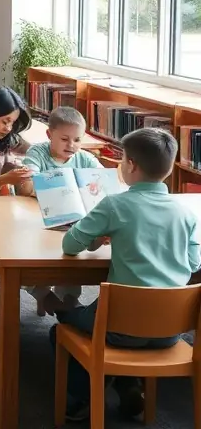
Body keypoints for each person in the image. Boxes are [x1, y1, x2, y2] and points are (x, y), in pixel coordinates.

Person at [54, 127, 200, 423]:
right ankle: (126, 384)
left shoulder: (115, 205)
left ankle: (83, 398)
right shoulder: (186, 213)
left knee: (63, 320)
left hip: (119, 327)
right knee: (112, 326)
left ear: (130, 165)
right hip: (169, 332)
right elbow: (193, 263)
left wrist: (99, 235)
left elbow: (70, 244)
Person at [23, 106, 104, 315]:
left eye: (77, 140)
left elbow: (102, 185)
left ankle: (68, 301)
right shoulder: (37, 152)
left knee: (73, 257)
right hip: (39, 221)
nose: (71, 145)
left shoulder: (85, 158)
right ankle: (44, 295)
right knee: (24, 259)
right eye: (65, 139)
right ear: (50, 135)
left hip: (75, 223)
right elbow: (28, 184)